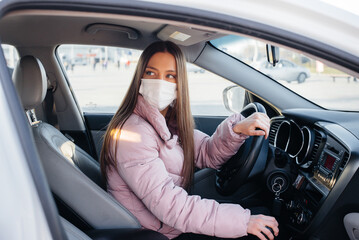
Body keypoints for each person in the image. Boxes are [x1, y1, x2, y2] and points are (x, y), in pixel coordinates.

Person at [100, 41, 279, 240]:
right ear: (139, 79)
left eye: (170, 76)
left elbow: (206, 152)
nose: (159, 82)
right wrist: (242, 222)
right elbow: (170, 206)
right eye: (151, 73)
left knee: (261, 213)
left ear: (179, 85)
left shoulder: (165, 122)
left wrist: (236, 130)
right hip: (157, 233)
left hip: (168, 225)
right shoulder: (134, 133)